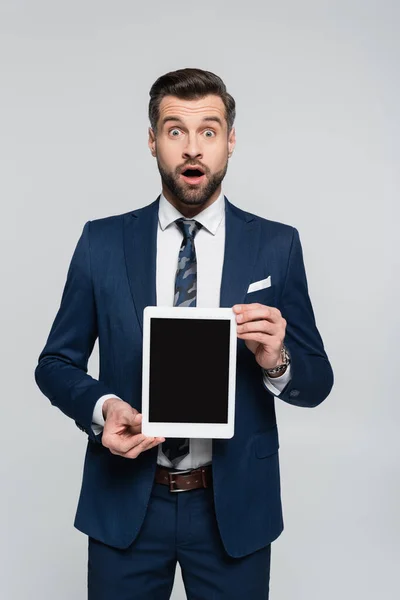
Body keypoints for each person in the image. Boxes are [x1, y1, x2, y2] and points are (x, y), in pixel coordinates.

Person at [35, 67, 334, 599]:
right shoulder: (101, 243)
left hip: (232, 507)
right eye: (175, 131)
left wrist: (277, 360)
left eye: (209, 131)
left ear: (231, 141)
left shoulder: (276, 246)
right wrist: (103, 407)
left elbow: (318, 383)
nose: (192, 149)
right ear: (153, 141)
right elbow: (54, 363)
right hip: (127, 502)